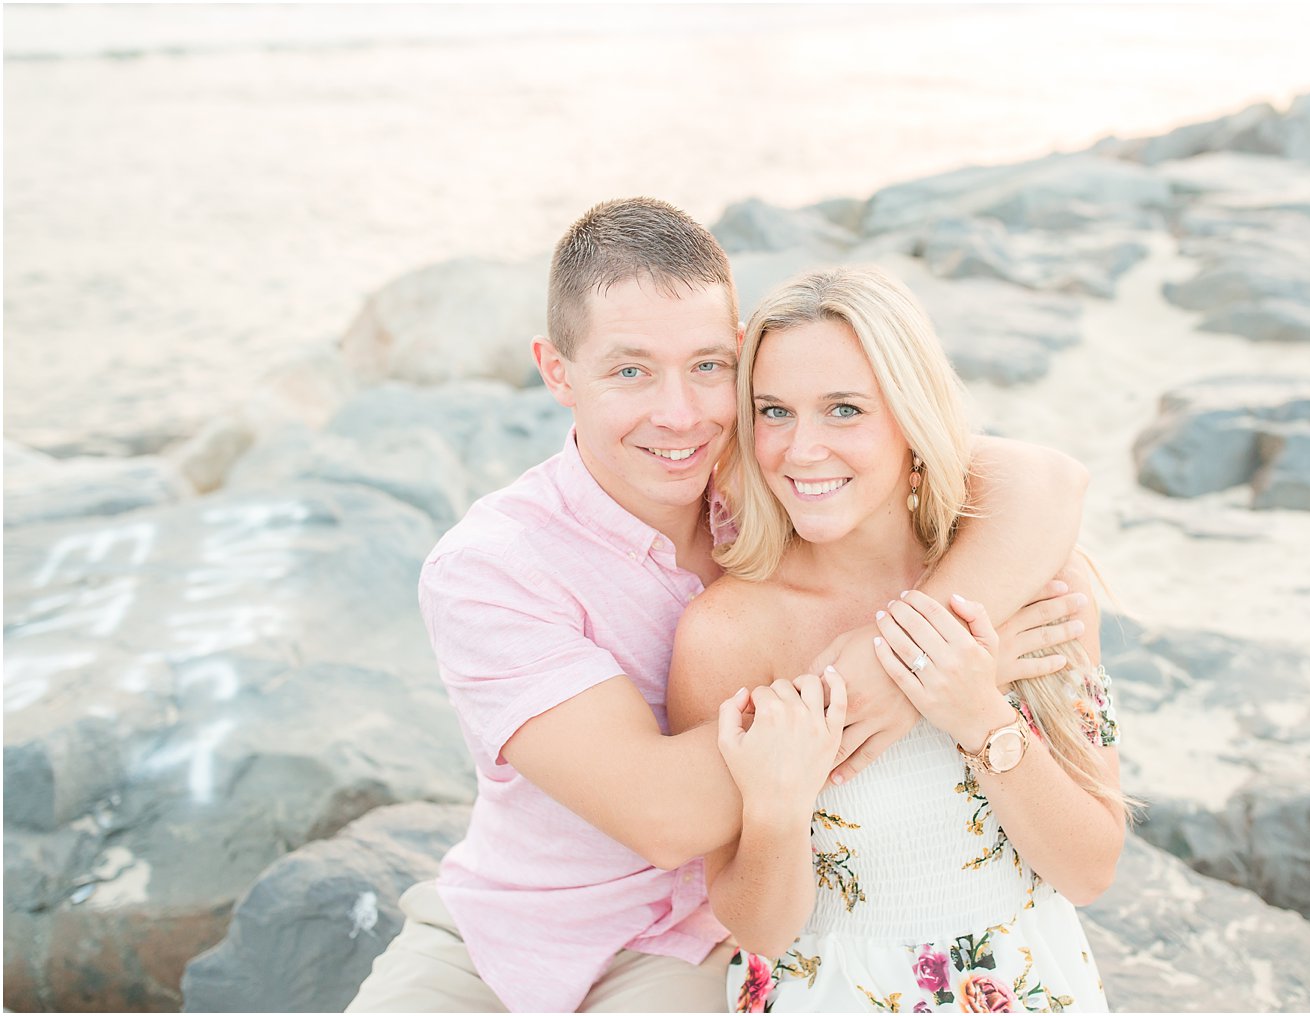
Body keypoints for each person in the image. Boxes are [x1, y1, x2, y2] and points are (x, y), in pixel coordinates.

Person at [346, 198, 1093, 1013]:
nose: (680, 414)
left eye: (707, 367)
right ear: (557, 370)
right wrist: (909, 668)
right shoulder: (491, 568)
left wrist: (942, 658)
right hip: (513, 930)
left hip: (701, 942)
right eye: (630, 371)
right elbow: (663, 817)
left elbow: (1042, 479)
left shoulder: (788, 472)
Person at [668, 266, 1127, 1012]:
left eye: (844, 409)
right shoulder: (726, 634)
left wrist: (977, 712)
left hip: (1025, 986)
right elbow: (756, 925)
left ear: (912, 420)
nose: (801, 449)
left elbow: (1090, 870)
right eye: (774, 412)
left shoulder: (1039, 585)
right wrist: (779, 805)